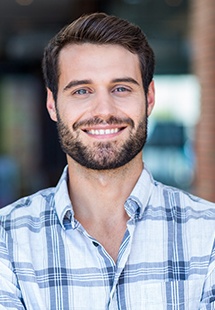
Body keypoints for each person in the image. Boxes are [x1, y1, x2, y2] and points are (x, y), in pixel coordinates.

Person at [0, 12, 215, 310]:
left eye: (121, 89)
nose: (103, 110)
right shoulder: (7, 237)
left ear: (149, 98)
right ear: (52, 104)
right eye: (82, 91)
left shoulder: (210, 233)